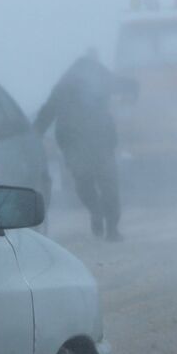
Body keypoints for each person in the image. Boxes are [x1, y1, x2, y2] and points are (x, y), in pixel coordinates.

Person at [35, 49, 137, 241]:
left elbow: (48, 111)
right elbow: (124, 85)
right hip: (97, 142)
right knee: (108, 185)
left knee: (84, 183)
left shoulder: (64, 84)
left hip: (75, 143)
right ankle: (112, 229)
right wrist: (133, 89)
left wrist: (35, 133)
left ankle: (97, 212)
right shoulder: (98, 77)